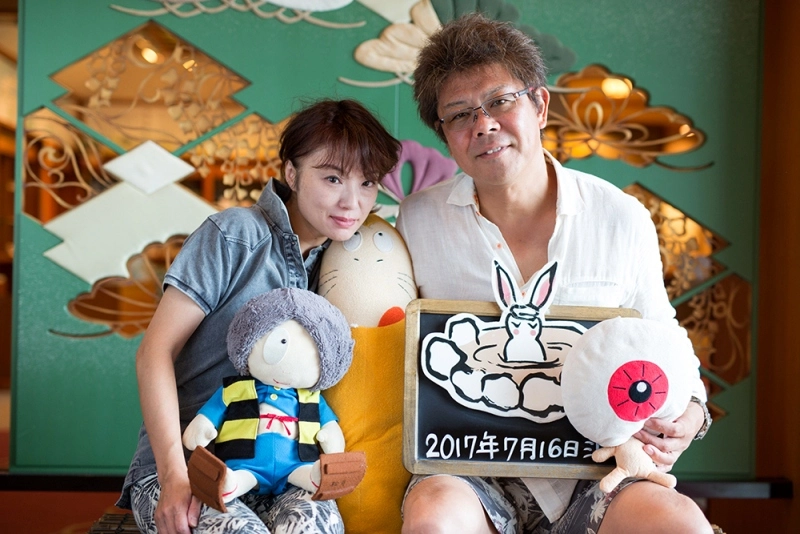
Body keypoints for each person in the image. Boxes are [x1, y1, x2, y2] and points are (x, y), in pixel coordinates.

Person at [395, 13, 713, 534]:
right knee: (435, 519)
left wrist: (692, 413)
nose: (484, 125)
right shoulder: (416, 221)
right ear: (445, 134)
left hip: (600, 467)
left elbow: (664, 337)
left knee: (682, 525)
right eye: (460, 114)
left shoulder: (620, 217)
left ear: (539, 105)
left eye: (500, 101)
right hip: (468, 468)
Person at [116, 99, 400, 534]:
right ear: (292, 174)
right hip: (194, 465)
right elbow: (154, 353)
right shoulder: (234, 235)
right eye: (332, 178)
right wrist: (174, 475)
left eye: (368, 183)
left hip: (288, 475)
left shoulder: (349, 263)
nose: (352, 201)